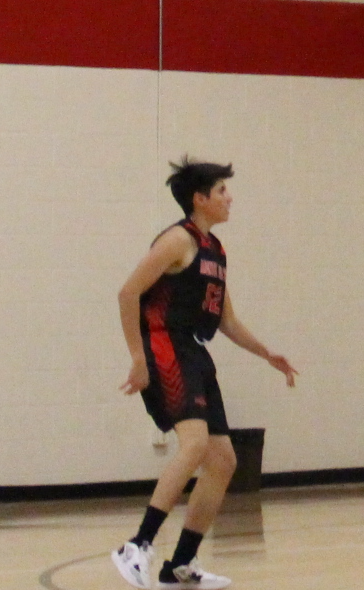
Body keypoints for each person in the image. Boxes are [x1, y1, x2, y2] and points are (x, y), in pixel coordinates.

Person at [110, 159, 300, 590]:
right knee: (194, 444)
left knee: (223, 461)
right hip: (165, 346)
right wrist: (138, 358)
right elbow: (128, 292)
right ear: (199, 199)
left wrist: (267, 353)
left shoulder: (215, 249)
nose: (229, 198)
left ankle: (180, 564)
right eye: (221, 191)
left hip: (194, 351)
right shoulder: (177, 240)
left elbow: (228, 321)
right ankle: (136, 545)